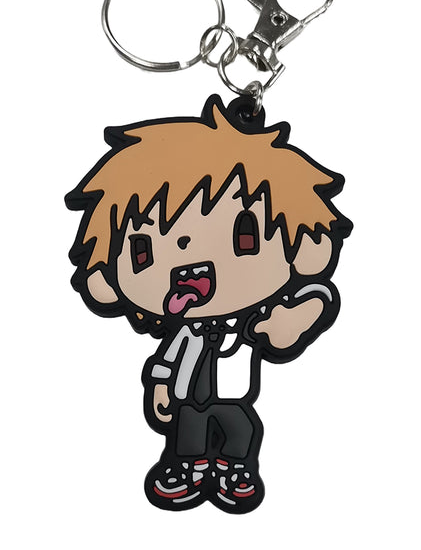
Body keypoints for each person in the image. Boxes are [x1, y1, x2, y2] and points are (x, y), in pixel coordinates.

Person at [66, 95, 352, 513]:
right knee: (189, 430)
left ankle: (234, 468)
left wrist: (289, 321)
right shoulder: (184, 331)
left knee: (241, 427)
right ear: (107, 277)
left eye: (243, 234)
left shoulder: (256, 319)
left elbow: (310, 302)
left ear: (306, 244)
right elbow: (167, 360)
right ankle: (190, 468)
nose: (187, 261)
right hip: (188, 397)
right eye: (143, 251)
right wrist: (160, 386)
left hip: (233, 393)